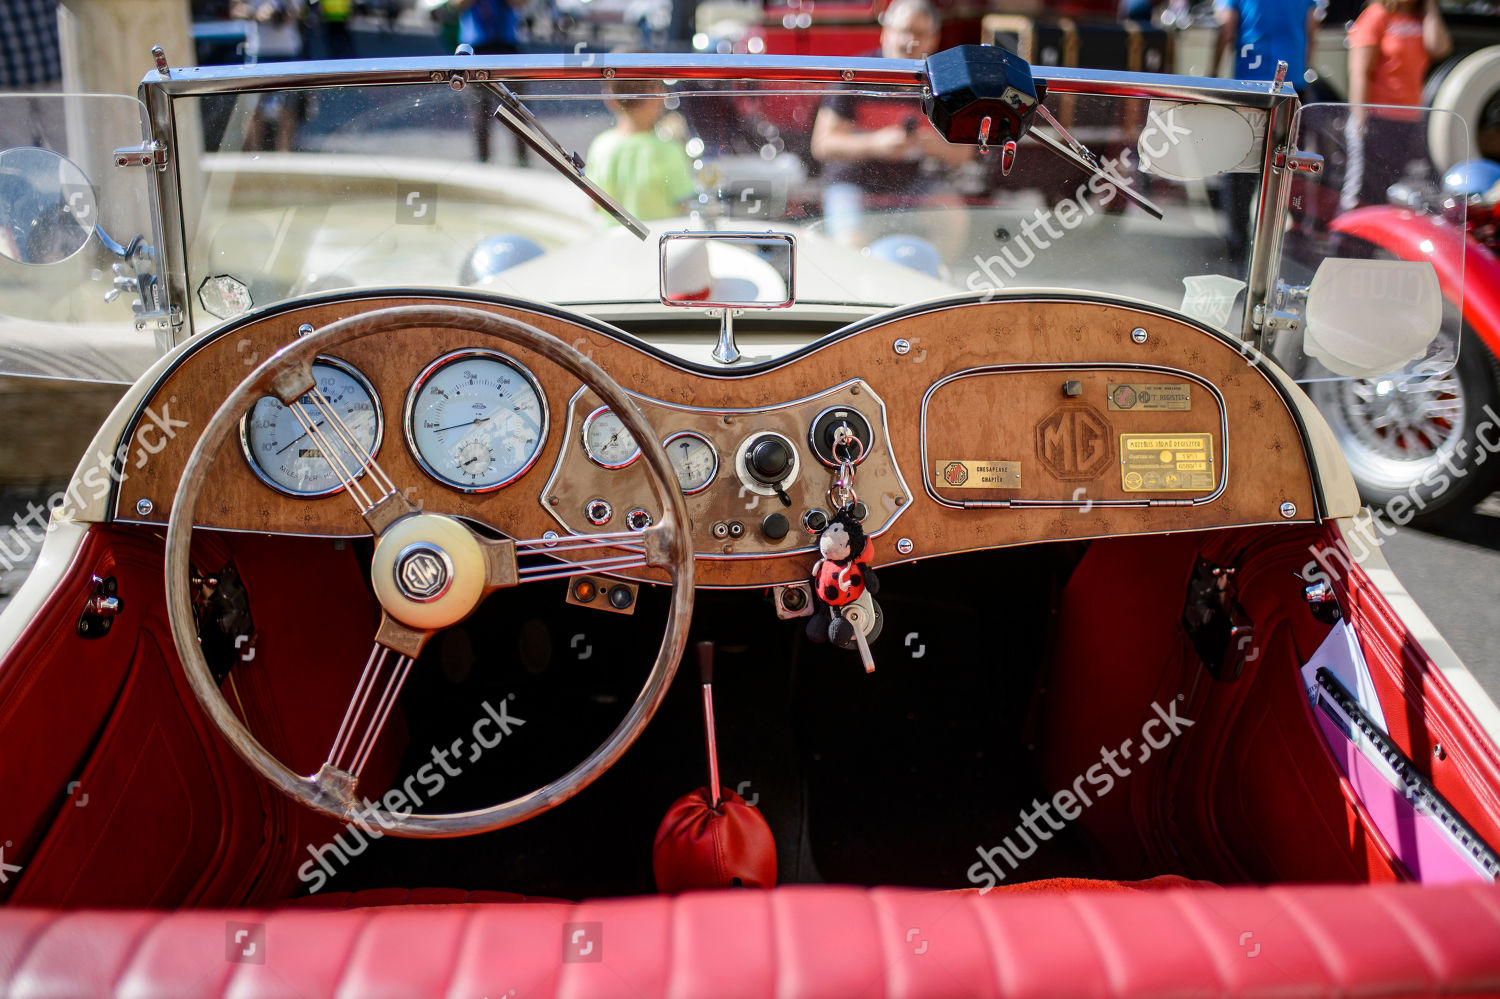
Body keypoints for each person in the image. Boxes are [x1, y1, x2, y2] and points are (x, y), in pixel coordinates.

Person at [809, 0, 972, 252]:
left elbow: (964, 153)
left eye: (919, 33)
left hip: (912, 186)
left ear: (934, 38)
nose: (909, 40)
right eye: (903, 30)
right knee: (851, 245)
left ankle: (939, 282)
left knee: (952, 218)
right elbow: (822, 144)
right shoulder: (856, 73)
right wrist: (875, 144)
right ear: (886, 29)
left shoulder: (942, 83)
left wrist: (932, 144)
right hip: (852, 183)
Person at [1211, 0, 1317, 270]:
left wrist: (1213, 73)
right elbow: (1311, 28)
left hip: (1251, 82)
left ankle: (1237, 243)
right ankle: (1278, 242)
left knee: (1240, 164)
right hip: (1292, 84)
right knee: (1285, 165)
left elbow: (1226, 26)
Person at [1341, 0, 1451, 210]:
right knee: (1361, 191)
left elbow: (1439, 47)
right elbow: (1359, 72)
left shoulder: (1421, 17)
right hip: (1375, 117)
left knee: (1391, 190)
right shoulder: (1376, 15)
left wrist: (1430, 6)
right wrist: (1360, 117)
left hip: (1408, 119)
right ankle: (1345, 240)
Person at [584, 79, 697, 221]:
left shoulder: (600, 146)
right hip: (658, 241)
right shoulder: (668, 150)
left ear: (611, 98)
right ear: (655, 94)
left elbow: (595, 205)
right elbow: (686, 204)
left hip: (613, 240)